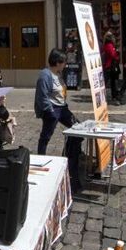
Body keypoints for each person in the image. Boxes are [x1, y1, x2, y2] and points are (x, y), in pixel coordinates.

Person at [35, 49, 84, 195]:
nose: (66, 65)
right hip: (53, 109)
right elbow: (42, 96)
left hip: (62, 108)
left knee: (78, 128)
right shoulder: (45, 75)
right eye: (64, 63)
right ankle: (40, 159)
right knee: (46, 136)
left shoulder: (58, 74)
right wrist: (49, 111)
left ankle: (71, 154)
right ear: (57, 63)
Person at [101, 32, 121, 104]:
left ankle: (114, 96)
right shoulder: (109, 45)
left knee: (111, 82)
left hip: (110, 66)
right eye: (113, 37)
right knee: (111, 82)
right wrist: (117, 52)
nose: (114, 38)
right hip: (110, 66)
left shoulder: (109, 45)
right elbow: (113, 55)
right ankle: (114, 97)